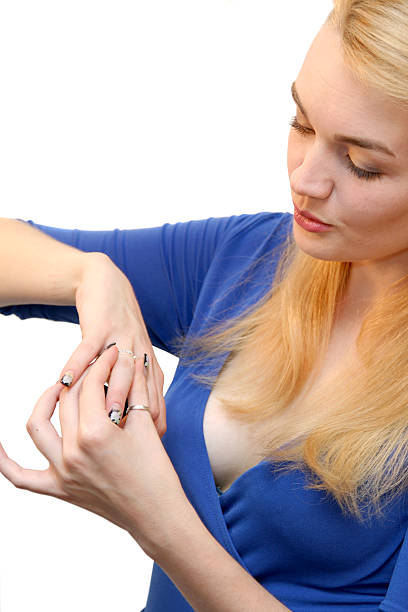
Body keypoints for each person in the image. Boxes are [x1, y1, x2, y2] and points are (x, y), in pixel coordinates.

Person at [1, 0, 408, 609]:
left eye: (362, 164)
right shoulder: (250, 259)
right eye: (302, 123)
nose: (305, 178)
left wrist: (153, 514)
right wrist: (93, 275)